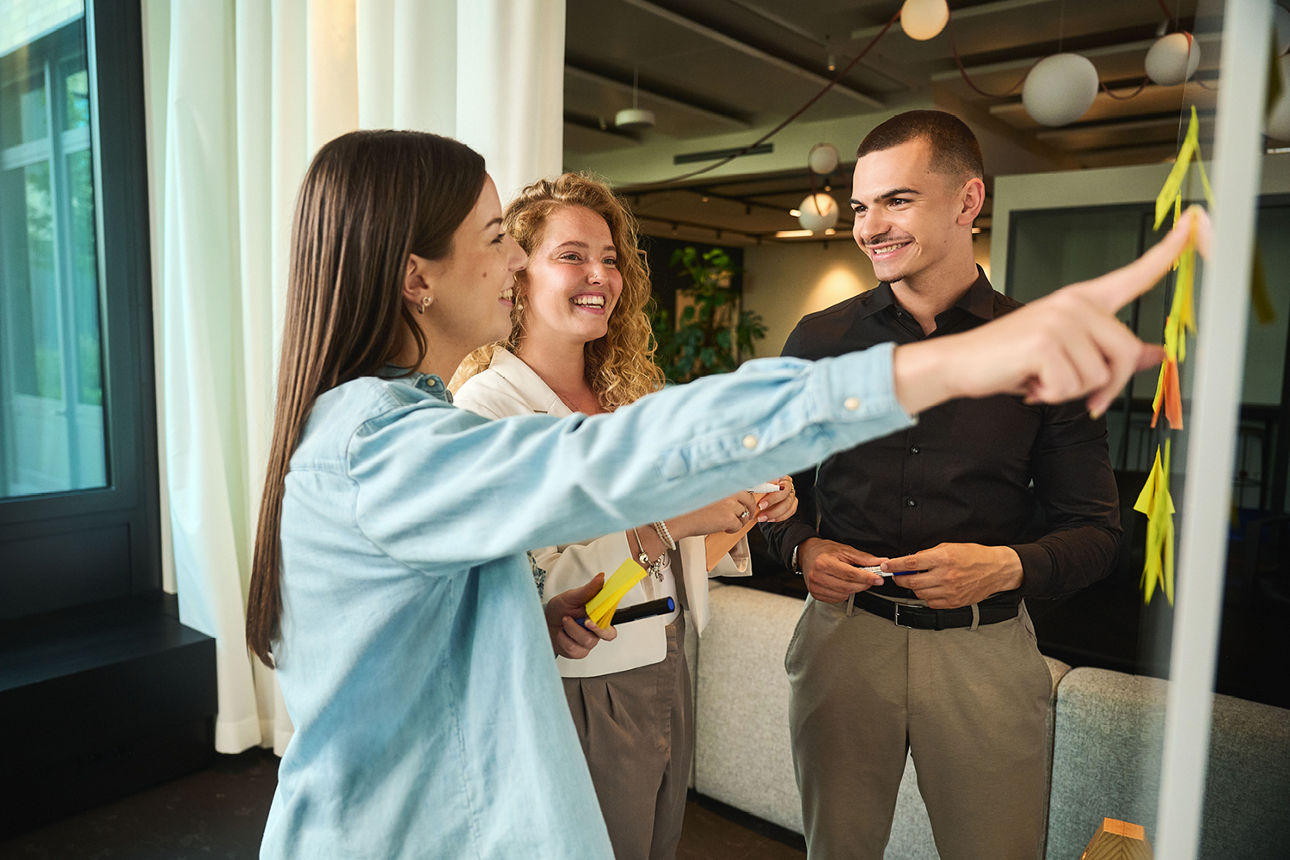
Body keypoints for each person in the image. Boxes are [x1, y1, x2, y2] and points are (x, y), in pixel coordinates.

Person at [245, 128, 1201, 859]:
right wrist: (952, 364)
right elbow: (609, 461)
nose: (516, 263)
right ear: (417, 277)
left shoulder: (390, 427)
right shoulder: (381, 446)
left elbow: (413, 633)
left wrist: (521, 616)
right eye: (500, 240)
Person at [760, 110, 1137, 859]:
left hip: (983, 653)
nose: (870, 228)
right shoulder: (819, 340)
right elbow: (764, 495)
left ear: (968, 201)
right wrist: (801, 549)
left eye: (897, 201)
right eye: (861, 206)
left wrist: (1006, 566)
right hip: (842, 642)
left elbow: (1099, 534)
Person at [452, 172, 798, 859]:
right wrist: (673, 520)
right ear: (517, 274)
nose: (600, 275)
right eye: (572, 256)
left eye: (609, 258)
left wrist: (742, 507)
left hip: (665, 661)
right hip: (579, 683)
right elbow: (534, 589)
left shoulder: (629, 401)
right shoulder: (489, 409)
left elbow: (668, 564)